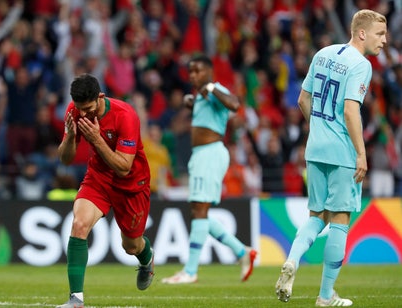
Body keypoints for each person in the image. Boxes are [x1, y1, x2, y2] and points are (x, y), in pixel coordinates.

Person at [275, 9, 387, 307]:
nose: (384, 41)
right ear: (361, 33)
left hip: (315, 149)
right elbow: (351, 110)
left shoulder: (322, 54)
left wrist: (321, 130)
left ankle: (292, 260)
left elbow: (302, 99)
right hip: (342, 152)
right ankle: (325, 296)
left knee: (316, 216)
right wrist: (361, 153)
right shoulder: (361, 65)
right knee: (340, 219)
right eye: (380, 34)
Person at [56, 74, 154, 308]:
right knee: (79, 224)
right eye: (81, 109)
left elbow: (124, 167)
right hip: (98, 178)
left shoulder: (125, 115)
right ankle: (76, 300)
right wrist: (70, 137)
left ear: (100, 97)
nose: (85, 114)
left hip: (131, 184)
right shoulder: (75, 111)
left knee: (131, 246)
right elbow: (65, 160)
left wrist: (97, 140)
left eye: (89, 109)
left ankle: (146, 257)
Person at [161, 55, 257, 284]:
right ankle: (243, 252)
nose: (193, 76)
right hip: (201, 155)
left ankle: (190, 271)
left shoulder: (216, 89)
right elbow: (210, 115)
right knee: (198, 212)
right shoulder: (202, 96)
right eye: (191, 72)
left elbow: (234, 104)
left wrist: (212, 88)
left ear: (209, 72)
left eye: (197, 71)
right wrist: (193, 103)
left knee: (200, 210)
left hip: (210, 153)